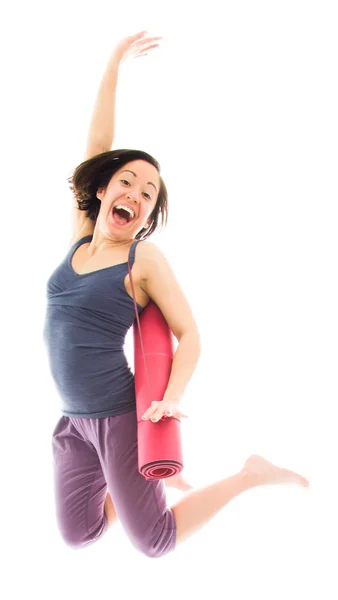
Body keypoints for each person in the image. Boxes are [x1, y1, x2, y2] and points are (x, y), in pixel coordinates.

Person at [43, 31, 310, 559]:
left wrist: (170, 397)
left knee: (156, 541)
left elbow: (189, 334)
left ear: (147, 215)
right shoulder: (80, 233)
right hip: (72, 419)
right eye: (128, 181)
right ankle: (135, 483)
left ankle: (249, 475)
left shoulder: (144, 260)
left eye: (148, 195)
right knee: (79, 533)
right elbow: (97, 146)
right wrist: (114, 63)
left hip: (118, 416)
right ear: (103, 190)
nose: (136, 196)